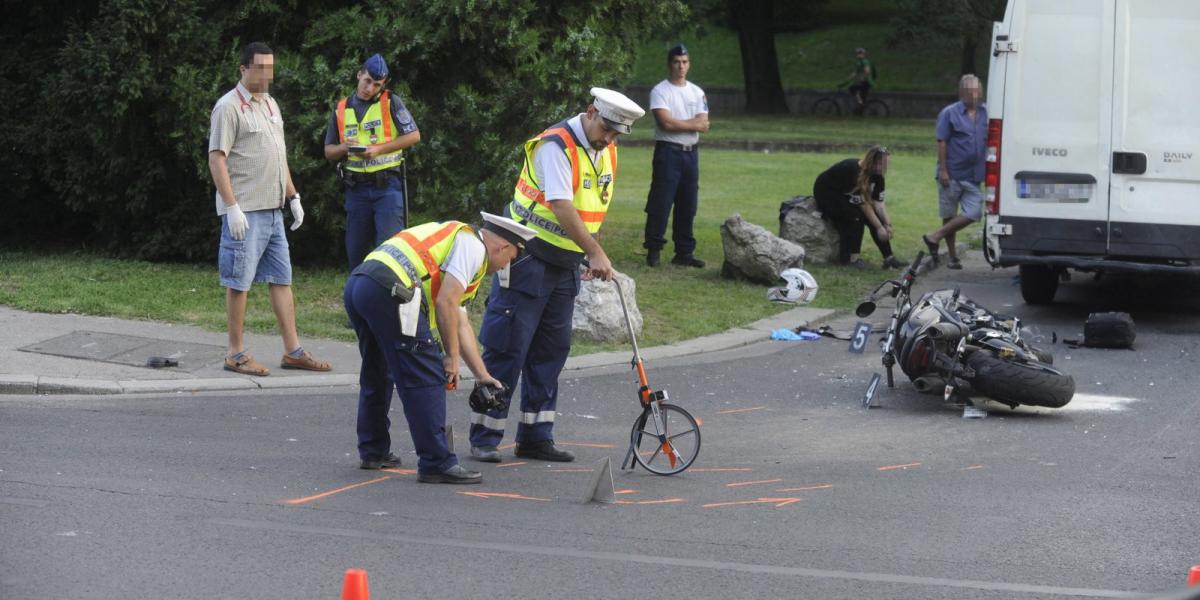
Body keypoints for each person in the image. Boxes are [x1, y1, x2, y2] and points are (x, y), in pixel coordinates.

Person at [468, 88, 645, 463]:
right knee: (508, 346)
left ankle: (536, 435)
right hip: (525, 257)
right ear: (590, 111)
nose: (611, 139)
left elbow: (593, 206)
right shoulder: (556, 145)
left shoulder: (606, 148)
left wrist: (585, 252)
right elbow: (562, 205)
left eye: (618, 134)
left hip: (564, 264)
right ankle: (485, 434)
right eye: (608, 129)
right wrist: (595, 252)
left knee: (551, 351)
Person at [344, 213, 536, 483]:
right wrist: (451, 358)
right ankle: (436, 462)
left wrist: (481, 374)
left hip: (361, 283)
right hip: (395, 291)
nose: (508, 265)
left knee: (378, 370)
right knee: (427, 377)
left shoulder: (456, 238)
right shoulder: (473, 248)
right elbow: (446, 303)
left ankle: (373, 451)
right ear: (502, 246)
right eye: (512, 258)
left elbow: (460, 322)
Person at [208, 42, 331, 376]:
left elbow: (278, 156)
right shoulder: (229, 107)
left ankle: (293, 351)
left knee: (281, 279)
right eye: (259, 67)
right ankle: (235, 353)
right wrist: (231, 206)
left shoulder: (271, 105)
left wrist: (293, 197)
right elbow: (217, 157)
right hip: (245, 213)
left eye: (270, 67)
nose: (266, 74)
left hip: (274, 209)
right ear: (243, 69)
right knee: (240, 281)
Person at [323, 53, 421, 271]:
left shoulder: (391, 102)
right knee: (356, 253)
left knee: (391, 252)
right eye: (367, 81)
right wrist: (344, 148)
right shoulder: (341, 108)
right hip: (356, 190)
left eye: (377, 85)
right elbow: (329, 151)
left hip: (387, 188)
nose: (370, 88)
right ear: (359, 75)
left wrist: (378, 150)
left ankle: (392, 302)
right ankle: (360, 300)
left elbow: (413, 135)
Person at [643, 43, 709, 268]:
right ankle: (653, 249)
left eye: (685, 62)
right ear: (669, 64)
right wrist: (692, 124)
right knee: (661, 202)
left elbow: (704, 124)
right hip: (668, 153)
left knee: (688, 203)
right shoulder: (660, 91)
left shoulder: (696, 92)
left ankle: (684, 252)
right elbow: (665, 123)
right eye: (677, 62)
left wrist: (681, 124)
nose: (681, 66)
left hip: (691, 154)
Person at [922, 74, 987, 270]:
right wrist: (943, 170)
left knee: (975, 211)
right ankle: (952, 257)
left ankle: (934, 237)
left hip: (974, 175)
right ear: (962, 93)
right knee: (949, 215)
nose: (974, 95)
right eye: (970, 91)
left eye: (977, 91)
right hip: (952, 173)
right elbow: (942, 142)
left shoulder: (986, 113)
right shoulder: (949, 113)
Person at [812, 145, 903, 269]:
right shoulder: (852, 170)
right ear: (873, 162)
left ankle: (889, 258)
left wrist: (887, 225)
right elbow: (864, 206)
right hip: (828, 194)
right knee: (855, 216)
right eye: (883, 164)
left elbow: (879, 204)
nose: (885, 167)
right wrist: (879, 227)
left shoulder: (878, 176)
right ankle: (851, 259)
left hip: (846, 195)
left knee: (874, 217)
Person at [838, 47, 876, 116]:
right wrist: (846, 80)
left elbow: (867, 71)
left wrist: (862, 78)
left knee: (852, 88)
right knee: (861, 97)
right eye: (857, 53)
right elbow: (855, 73)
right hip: (864, 82)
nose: (858, 55)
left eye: (860, 53)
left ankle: (860, 102)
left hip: (866, 82)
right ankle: (860, 108)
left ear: (864, 54)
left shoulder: (865, 61)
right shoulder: (859, 62)